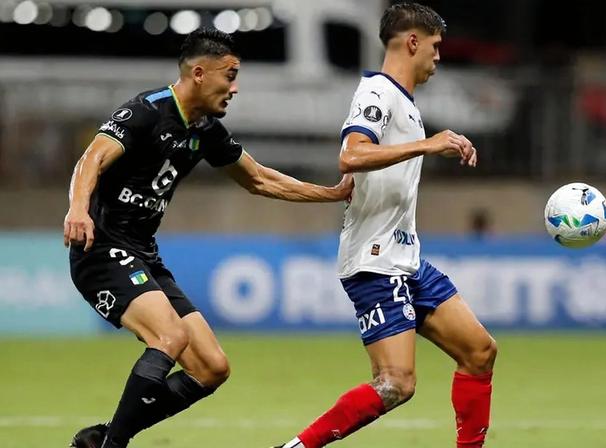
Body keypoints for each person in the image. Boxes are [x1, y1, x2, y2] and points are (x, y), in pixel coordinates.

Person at [64, 27, 352, 448]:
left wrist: (330, 193)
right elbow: (92, 158)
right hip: (102, 248)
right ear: (199, 73)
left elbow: (259, 179)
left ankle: (105, 439)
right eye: (229, 75)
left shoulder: (205, 129)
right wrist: (76, 208)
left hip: (143, 254)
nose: (235, 88)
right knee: (171, 338)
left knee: (211, 366)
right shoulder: (146, 111)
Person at [273, 4, 497, 447]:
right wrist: (428, 145)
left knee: (479, 351)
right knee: (395, 383)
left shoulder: (403, 102)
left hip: (405, 258)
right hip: (377, 260)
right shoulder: (378, 93)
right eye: (435, 47)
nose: (438, 57)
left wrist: (424, 143)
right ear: (412, 42)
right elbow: (350, 154)